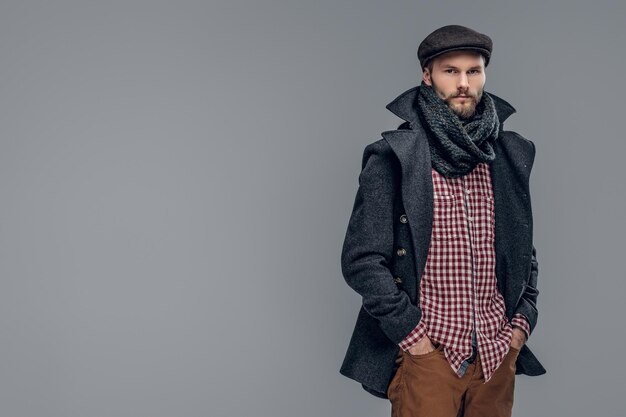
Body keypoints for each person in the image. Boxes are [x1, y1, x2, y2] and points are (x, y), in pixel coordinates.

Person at [339, 25, 546, 417]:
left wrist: (520, 327)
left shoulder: (508, 155)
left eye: (474, 71)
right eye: (451, 71)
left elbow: (524, 250)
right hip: (429, 356)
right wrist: (414, 339)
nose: (464, 82)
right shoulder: (394, 157)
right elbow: (361, 260)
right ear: (427, 75)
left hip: (495, 355)